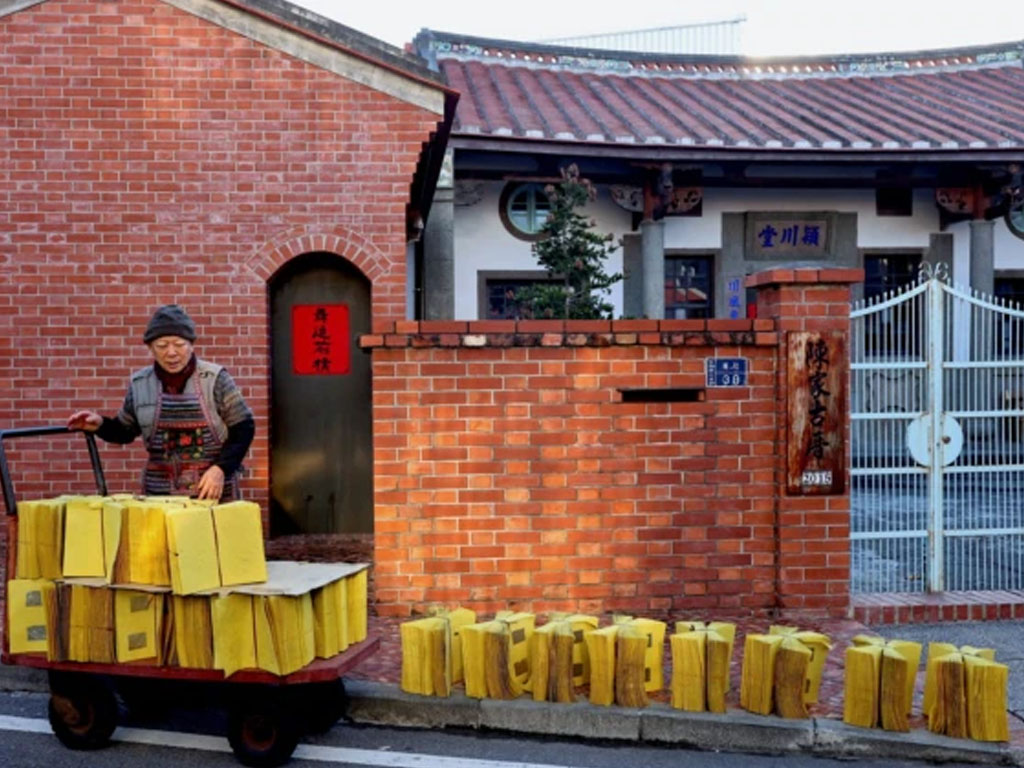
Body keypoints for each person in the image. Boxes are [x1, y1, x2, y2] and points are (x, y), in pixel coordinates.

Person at [68, 304, 255, 501]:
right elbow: (125, 430)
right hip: (159, 495)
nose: (171, 352)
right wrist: (100, 425)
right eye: (162, 346)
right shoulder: (139, 384)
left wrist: (221, 468)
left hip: (212, 492)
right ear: (150, 348)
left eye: (179, 344)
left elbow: (243, 428)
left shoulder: (216, 379)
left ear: (191, 344)